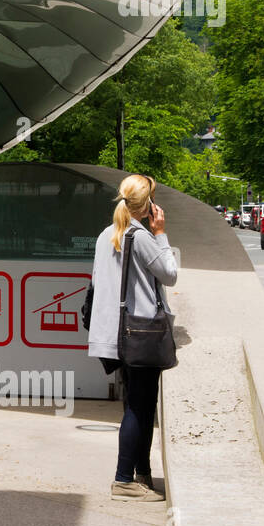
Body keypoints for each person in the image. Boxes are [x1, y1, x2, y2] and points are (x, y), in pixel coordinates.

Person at [87, 174, 178, 502]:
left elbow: (98, 281)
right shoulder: (140, 237)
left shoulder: (105, 235)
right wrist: (162, 234)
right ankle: (124, 480)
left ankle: (142, 474)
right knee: (139, 408)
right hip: (140, 333)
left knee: (137, 404)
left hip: (115, 334)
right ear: (148, 206)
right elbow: (169, 273)